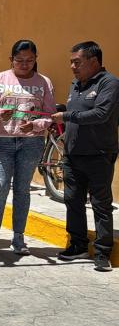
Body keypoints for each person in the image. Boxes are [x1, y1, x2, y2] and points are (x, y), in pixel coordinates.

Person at [0, 41, 56, 256]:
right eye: (19, 60)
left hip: (31, 142)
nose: (24, 64)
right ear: (11, 59)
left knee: (22, 190)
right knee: (0, 186)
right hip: (2, 141)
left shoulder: (44, 82)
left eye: (29, 60)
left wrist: (36, 125)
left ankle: (18, 238)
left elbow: (49, 114)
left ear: (35, 59)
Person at [53, 41, 119, 271]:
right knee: (73, 201)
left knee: (101, 204)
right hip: (72, 154)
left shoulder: (109, 83)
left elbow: (101, 114)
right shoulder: (76, 84)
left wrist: (67, 116)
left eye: (77, 62)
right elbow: (74, 112)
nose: (72, 66)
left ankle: (102, 253)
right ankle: (78, 244)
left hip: (99, 154)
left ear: (94, 61)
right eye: (71, 61)